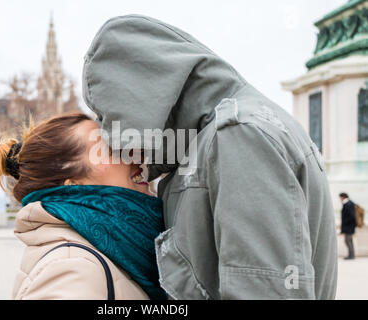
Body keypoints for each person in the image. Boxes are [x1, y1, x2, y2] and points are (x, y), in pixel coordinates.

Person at [82, 15, 338, 299]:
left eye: (110, 116)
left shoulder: (238, 135)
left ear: (140, 96)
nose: (113, 137)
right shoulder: (218, 137)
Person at [0, 113, 166, 300]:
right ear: (73, 185)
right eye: (109, 149)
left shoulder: (109, 248)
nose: (134, 156)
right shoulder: (72, 267)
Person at [339, 193, 356, 260]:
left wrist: (346, 224)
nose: (339, 199)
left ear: (343, 197)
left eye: (340, 197)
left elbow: (352, 216)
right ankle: (351, 255)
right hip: (350, 226)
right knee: (350, 241)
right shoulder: (350, 203)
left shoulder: (347, 204)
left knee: (347, 241)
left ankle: (351, 255)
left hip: (349, 227)